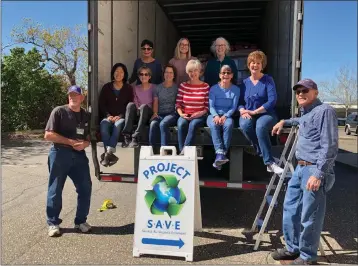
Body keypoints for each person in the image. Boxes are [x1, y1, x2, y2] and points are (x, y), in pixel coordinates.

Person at [271, 79, 338, 265]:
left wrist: (318, 174)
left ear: (315, 92)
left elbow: (330, 146)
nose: (300, 93)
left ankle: (308, 256)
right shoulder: (307, 113)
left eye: (305, 90)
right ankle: (293, 249)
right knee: (290, 208)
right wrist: (284, 121)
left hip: (314, 169)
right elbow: (299, 121)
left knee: (310, 214)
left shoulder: (325, 111)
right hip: (300, 168)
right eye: (298, 91)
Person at [44, 85, 92, 237]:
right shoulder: (59, 111)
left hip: (79, 156)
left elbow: (88, 137)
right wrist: (71, 142)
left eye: (75, 95)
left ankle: (80, 221)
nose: (72, 97)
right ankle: (53, 224)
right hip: (59, 153)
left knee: (86, 188)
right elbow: (48, 135)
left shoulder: (86, 115)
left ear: (81, 98)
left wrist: (85, 144)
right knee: (55, 189)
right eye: (70, 95)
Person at [238, 50, 283, 174]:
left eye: (258, 63)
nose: (255, 65)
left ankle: (269, 163)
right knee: (245, 125)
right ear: (248, 65)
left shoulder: (268, 80)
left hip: (266, 113)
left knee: (260, 126)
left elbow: (272, 101)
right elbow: (240, 101)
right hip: (248, 113)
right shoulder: (244, 83)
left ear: (262, 65)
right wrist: (243, 111)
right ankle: (265, 156)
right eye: (252, 62)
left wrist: (255, 112)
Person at [98, 63, 133, 167]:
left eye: (121, 72)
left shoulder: (128, 88)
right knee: (103, 125)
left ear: (124, 74)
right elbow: (101, 104)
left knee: (118, 126)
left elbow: (129, 105)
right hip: (108, 116)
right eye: (116, 71)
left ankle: (107, 154)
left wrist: (121, 116)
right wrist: (108, 115)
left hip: (122, 117)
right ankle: (109, 153)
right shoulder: (106, 87)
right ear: (113, 73)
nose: (119, 74)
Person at [207, 65, 240, 170]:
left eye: (228, 73)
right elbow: (211, 106)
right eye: (223, 73)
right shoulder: (213, 88)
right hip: (214, 114)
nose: (226, 75)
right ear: (219, 75)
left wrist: (225, 116)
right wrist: (216, 115)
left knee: (229, 124)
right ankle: (220, 153)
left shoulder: (236, 89)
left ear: (232, 75)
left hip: (227, 115)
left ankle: (221, 155)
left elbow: (233, 107)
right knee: (213, 125)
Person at [176, 59, 209, 153]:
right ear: (187, 72)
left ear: (200, 72)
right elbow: (178, 104)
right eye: (190, 71)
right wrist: (181, 114)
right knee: (181, 124)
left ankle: (184, 152)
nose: (193, 73)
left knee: (193, 124)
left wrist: (200, 113)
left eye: (195, 70)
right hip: (185, 114)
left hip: (199, 116)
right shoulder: (183, 86)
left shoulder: (205, 86)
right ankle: (182, 150)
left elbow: (207, 106)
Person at [122, 66, 154, 147]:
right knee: (130, 105)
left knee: (144, 106)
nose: (144, 76)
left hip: (149, 114)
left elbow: (156, 102)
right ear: (139, 76)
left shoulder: (154, 87)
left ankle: (136, 136)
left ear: (149, 76)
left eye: (146, 74)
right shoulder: (135, 88)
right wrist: (138, 111)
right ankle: (127, 135)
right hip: (139, 112)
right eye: (141, 74)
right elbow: (135, 102)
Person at [149, 64, 179, 147]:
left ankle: (164, 149)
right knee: (153, 124)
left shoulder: (177, 88)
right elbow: (155, 101)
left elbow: (178, 103)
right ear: (163, 74)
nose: (168, 74)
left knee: (163, 124)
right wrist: (155, 113)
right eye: (166, 72)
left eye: (171, 72)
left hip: (172, 114)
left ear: (174, 75)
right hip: (160, 114)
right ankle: (152, 150)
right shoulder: (158, 88)